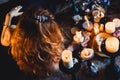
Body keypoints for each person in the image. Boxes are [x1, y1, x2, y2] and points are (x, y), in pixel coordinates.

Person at [1, 5, 71, 80]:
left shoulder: (16, 35)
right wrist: (72, 47)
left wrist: (8, 17)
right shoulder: (48, 58)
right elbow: (60, 72)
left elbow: (3, 41)